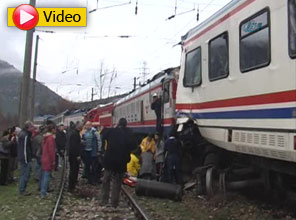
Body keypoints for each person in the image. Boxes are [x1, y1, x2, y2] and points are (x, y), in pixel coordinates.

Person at [101, 118, 136, 208]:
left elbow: (103, 134)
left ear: (118, 124)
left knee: (106, 180)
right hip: (121, 162)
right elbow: (133, 146)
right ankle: (114, 203)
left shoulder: (111, 131)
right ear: (126, 125)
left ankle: (104, 200)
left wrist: (114, 127)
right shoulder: (129, 133)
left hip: (109, 160)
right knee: (117, 183)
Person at [18, 121, 35, 196]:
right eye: (32, 127)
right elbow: (24, 148)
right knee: (25, 174)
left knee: (25, 174)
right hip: (25, 158)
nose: (33, 128)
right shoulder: (25, 136)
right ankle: (22, 190)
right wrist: (26, 159)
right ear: (28, 127)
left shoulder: (25, 134)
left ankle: (23, 189)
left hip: (26, 157)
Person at [40, 123, 56, 197]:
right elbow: (51, 150)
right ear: (52, 130)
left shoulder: (45, 137)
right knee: (46, 175)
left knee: (43, 175)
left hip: (44, 157)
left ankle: (42, 190)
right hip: (48, 159)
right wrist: (53, 160)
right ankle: (43, 192)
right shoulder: (51, 138)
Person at [68, 122, 83, 192]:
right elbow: (74, 146)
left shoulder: (74, 133)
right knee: (74, 170)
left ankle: (72, 185)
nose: (82, 128)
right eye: (81, 126)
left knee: (74, 170)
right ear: (78, 127)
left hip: (72, 155)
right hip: (74, 156)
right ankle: (71, 186)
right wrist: (77, 155)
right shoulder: (75, 134)